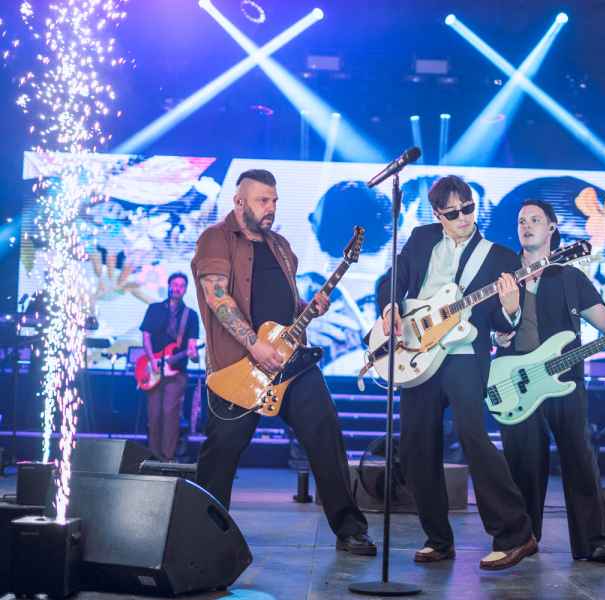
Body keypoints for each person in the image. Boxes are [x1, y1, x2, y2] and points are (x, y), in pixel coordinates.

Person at [191, 169, 375, 556]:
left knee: (325, 432)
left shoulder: (281, 246)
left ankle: (350, 529)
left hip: (292, 362)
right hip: (239, 365)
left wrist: (310, 308)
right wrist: (253, 345)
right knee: (222, 450)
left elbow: (285, 308)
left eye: (274, 200)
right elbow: (217, 298)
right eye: (263, 200)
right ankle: (201, 535)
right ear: (239, 202)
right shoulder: (216, 239)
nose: (271, 207)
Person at [378, 175, 537, 570]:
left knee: (472, 437)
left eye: (468, 209)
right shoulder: (420, 239)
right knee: (415, 447)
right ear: (438, 215)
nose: (463, 217)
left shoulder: (499, 256)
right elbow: (391, 281)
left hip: (464, 354)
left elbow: (501, 323)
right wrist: (390, 306)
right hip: (418, 353)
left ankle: (516, 534)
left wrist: (512, 308)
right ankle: (438, 539)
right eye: (453, 213)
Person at [494, 199, 605, 562]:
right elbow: (489, 329)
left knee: (580, 460)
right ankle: (523, 538)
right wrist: (500, 333)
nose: (526, 226)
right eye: (522, 220)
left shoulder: (570, 277)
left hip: (565, 379)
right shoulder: (503, 276)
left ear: (551, 228)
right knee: (523, 463)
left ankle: (594, 540)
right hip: (516, 381)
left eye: (535, 219)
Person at [139, 272, 200, 461]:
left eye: (181, 286)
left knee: (170, 413)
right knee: (154, 415)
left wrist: (194, 355)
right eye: (174, 284)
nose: (177, 288)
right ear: (168, 285)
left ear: (185, 289)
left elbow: (192, 346)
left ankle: (167, 457)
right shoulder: (154, 309)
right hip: (153, 369)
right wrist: (152, 360)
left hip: (177, 372)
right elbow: (146, 336)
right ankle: (154, 456)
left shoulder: (191, 315)